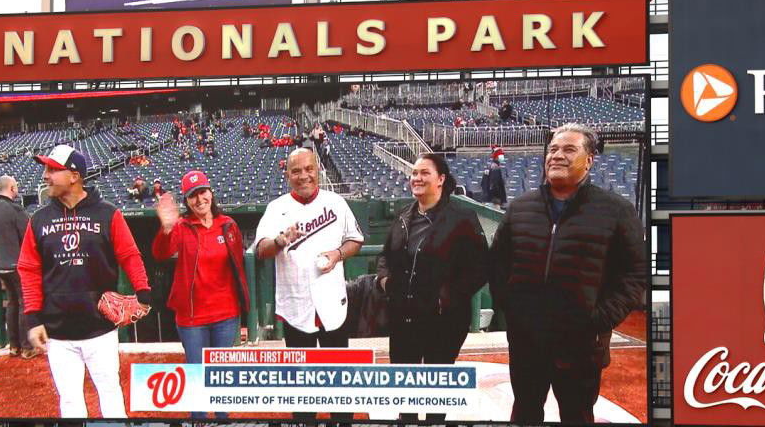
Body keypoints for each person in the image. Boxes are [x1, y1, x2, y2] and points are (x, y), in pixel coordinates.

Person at [489, 123, 646, 424]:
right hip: (527, 341)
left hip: (581, 345)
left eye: (569, 149)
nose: (557, 155)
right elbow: (498, 264)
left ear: (589, 160)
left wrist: (597, 319)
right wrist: (511, 308)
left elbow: (634, 275)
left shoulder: (616, 210)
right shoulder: (520, 208)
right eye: (553, 149)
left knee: (577, 416)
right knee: (524, 412)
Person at [20, 144, 153, 419]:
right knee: (69, 403)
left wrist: (143, 291)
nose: (45, 175)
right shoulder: (39, 219)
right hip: (58, 332)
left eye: (52, 169)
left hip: (100, 329)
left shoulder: (108, 213)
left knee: (110, 395)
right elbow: (29, 269)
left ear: (74, 175)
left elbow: (129, 254)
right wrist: (33, 319)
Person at [253, 148, 364, 423]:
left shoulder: (336, 202)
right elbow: (260, 250)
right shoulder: (276, 208)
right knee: (301, 380)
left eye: (309, 169)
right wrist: (280, 241)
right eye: (296, 171)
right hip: (296, 303)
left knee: (339, 378)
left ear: (317, 169)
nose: (304, 176)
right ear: (287, 175)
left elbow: (355, 239)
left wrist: (337, 254)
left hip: (332, 302)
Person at [377, 153, 488, 423]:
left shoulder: (462, 217)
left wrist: (446, 298)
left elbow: (481, 267)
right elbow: (385, 256)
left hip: (444, 321)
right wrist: (385, 281)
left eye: (424, 173)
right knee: (406, 390)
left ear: (441, 179)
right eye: (414, 173)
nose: (417, 178)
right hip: (405, 317)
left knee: (437, 391)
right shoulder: (405, 214)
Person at [152, 170, 250, 420]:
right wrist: (165, 228)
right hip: (191, 317)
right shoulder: (181, 227)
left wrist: (245, 314)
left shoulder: (228, 225)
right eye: (192, 196)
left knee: (220, 376)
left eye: (202, 192)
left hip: (226, 314)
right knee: (197, 375)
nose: (199, 199)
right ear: (186, 201)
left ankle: (222, 418)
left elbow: (239, 267)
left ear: (211, 193)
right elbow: (160, 253)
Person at [0, 175, 35, 358]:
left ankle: (14, 346)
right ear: (12, 188)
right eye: (16, 186)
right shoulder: (15, 210)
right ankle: (27, 348)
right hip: (15, 266)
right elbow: (29, 238)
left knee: (13, 302)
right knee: (24, 303)